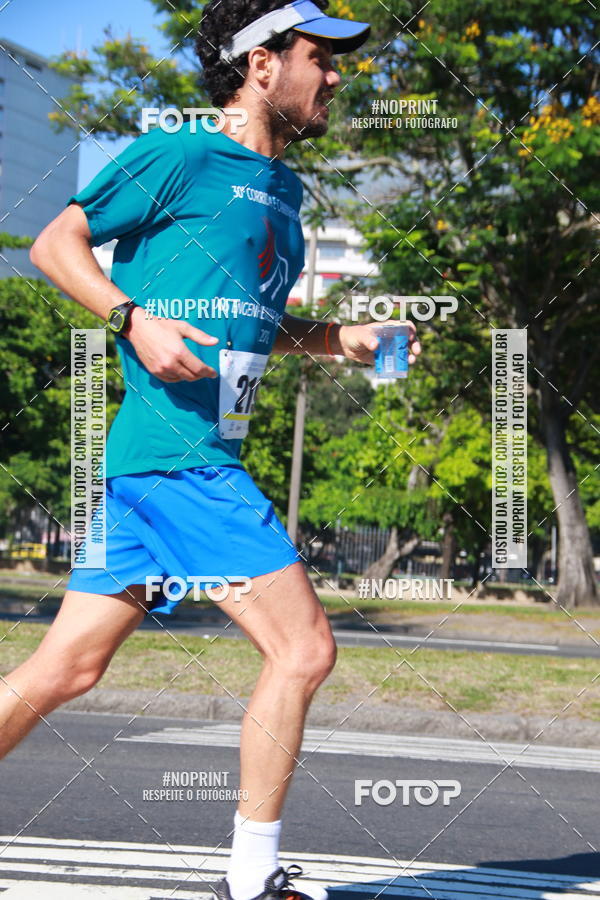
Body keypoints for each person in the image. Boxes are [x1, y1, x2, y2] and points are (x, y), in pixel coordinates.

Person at [1, 2, 421, 898]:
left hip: (158, 462)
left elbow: (255, 326)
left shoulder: (285, 190)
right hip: (181, 458)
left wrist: (334, 339)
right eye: (322, 58)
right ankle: (251, 878)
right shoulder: (182, 153)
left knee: (64, 668)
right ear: (260, 65)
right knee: (304, 651)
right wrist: (131, 316)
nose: (339, 78)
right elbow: (54, 242)